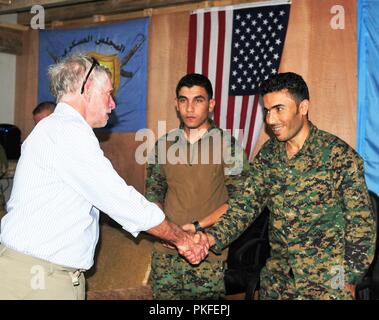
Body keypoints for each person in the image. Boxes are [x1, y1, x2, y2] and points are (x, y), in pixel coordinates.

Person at [0, 54, 209, 300]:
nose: (113, 104)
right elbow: (120, 201)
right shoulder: (68, 132)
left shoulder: (55, 129)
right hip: (38, 281)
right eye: (108, 94)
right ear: (87, 88)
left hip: (46, 275)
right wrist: (182, 239)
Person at [205, 72, 376, 300]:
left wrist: (347, 280)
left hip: (327, 284)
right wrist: (210, 238)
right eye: (266, 111)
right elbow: (244, 206)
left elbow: (361, 225)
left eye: (279, 109)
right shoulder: (269, 155)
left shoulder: (338, 156)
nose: (270, 120)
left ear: (303, 107)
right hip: (279, 283)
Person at [145, 73, 248, 299]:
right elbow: (153, 193)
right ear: (176, 104)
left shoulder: (228, 147)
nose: (190, 108)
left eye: (198, 100)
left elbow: (241, 203)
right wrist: (166, 231)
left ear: (211, 104)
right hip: (166, 253)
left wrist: (197, 227)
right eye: (183, 100)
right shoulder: (164, 145)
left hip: (206, 253)